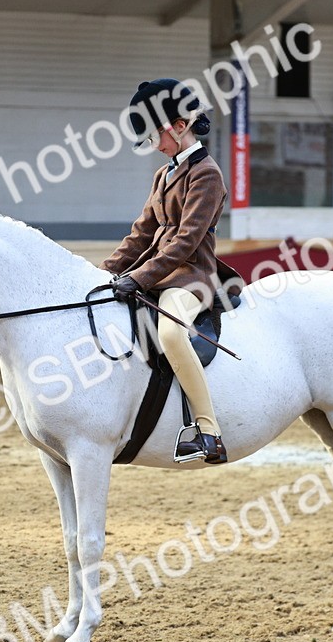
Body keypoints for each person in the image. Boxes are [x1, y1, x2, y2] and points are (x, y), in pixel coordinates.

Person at [102, 78, 240, 464]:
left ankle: (209, 431)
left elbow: (185, 242)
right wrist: (102, 272)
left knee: (170, 333)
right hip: (156, 272)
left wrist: (138, 277)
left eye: (155, 137)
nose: (154, 146)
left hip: (191, 276)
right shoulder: (163, 175)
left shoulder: (207, 174)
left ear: (179, 126)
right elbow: (141, 233)